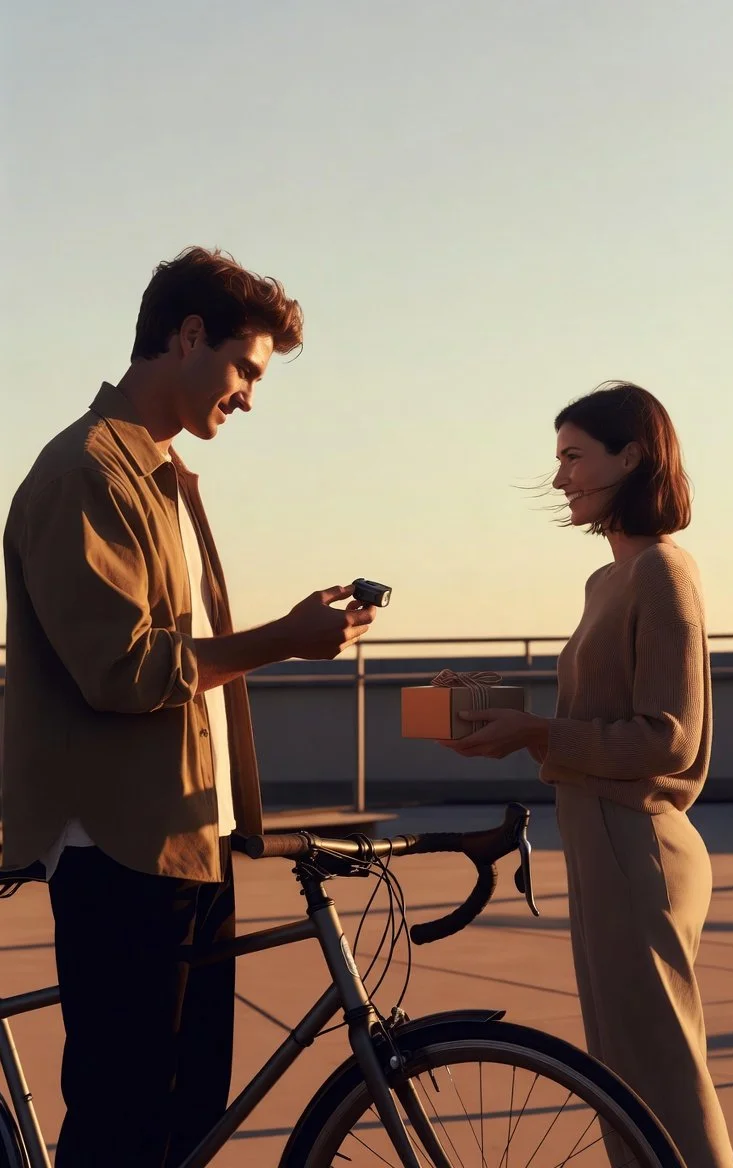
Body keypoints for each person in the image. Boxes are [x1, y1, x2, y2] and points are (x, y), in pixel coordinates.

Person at [1, 246, 378, 1168]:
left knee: (184, 1113)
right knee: (124, 1119)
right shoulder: (84, 471)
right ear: (188, 335)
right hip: (118, 843)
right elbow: (123, 672)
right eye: (247, 369)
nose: (251, 394)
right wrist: (285, 640)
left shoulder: (163, 477)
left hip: (181, 834)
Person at [441, 382, 733, 1168]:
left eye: (574, 457)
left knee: (663, 1087)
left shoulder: (662, 573)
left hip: (635, 847)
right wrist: (497, 710)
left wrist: (537, 731)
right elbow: (600, 715)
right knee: (625, 1081)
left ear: (631, 457)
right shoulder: (608, 579)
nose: (561, 477)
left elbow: (669, 738)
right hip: (603, 845)